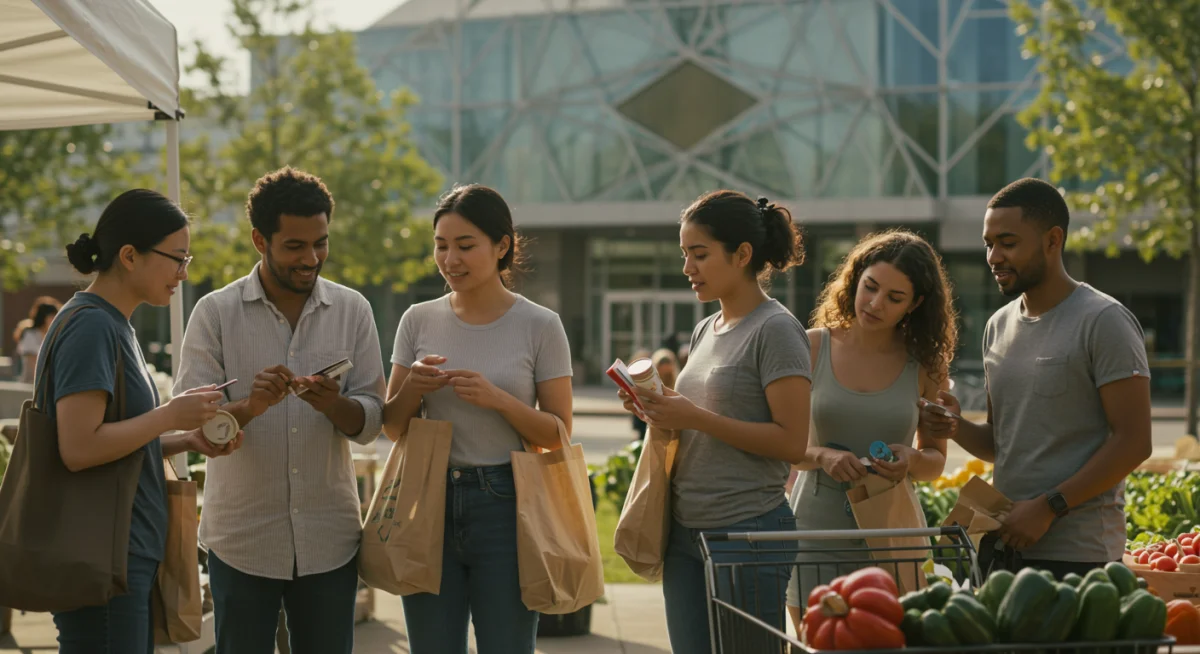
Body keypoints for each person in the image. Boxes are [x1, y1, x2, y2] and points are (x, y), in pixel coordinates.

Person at [174, 167, 386, 653]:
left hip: (329, 538)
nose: (311, 258)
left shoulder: (354, 310)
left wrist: (337, 406)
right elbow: (192, 424)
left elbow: (372, 420)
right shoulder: (214, 313)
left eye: (321, 243)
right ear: (259, 240)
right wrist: (249, 407)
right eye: (295, 246)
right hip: (242, 539)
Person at [919, 177, 1152, 579]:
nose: (993, 256)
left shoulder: (1103, 321)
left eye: (1007, 242)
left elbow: (1134, 442)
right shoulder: (998, 326)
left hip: (1081, 558)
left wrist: (1049, 507)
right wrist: (955, 427)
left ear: (1052, 240)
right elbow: (1000, 444)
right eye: (989, 243)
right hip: (1003, 548)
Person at [618, 191, 811, 653]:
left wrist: (695, 416)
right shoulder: (708, 327)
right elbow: (698, 420)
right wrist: (655, 407)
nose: (688, 268)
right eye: (685, 254)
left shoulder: (777, 330)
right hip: (685, 534)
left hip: (747, 535)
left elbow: (793, 443)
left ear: (742, 254)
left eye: (700, 254)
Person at [383, 184, 574, 654]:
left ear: (502, 245)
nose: (450, 259)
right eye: (441, 245)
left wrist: (500, 400)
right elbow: (391, 426)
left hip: (507, 503)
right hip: (428, 498)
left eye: (465, 246)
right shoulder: (417, 320)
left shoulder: (540, 325)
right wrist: (414, 389)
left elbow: (558, 435)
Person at [49, 189, 241, 653]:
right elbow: (78, 449)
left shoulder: (112, 323)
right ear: (130, 256)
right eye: (176, 258)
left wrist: (184, 438)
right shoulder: (93, 326)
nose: (184, 273)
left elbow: (112, 444)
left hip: (117, 552)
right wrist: (167, 416)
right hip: (105, 557)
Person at [784, 229, 957, 632]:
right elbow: (782, 444)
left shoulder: (926, 367)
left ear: (915, 304)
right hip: (814, 529)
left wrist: (912, 460)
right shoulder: (809, 347)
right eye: (870, 287)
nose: (876, 304)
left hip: (891, 533)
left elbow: (936, 462)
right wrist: (822, 456)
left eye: (894, 298)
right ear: (854, 280)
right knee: (816, 640)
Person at [13, 296, 62, 382]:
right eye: (52, 316)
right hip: (32, 383)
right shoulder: (30, 334)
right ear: (43, 317)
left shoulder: (53, 335)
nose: (55, 319)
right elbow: (33, 361)